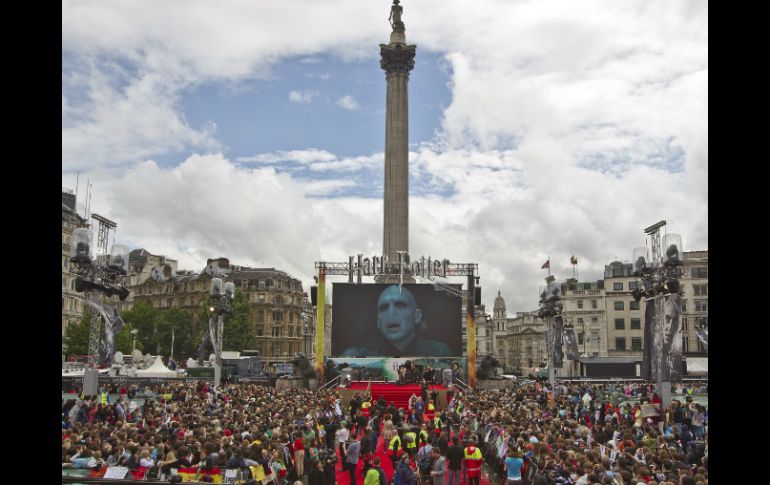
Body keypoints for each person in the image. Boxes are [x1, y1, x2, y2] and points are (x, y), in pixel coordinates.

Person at [341, 285, 453, 357]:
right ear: (378, 321)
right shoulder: (358, 355)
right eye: (384, 307)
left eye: (400, 305)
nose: (391, 313)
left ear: (417, 316)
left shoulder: (439, 352)